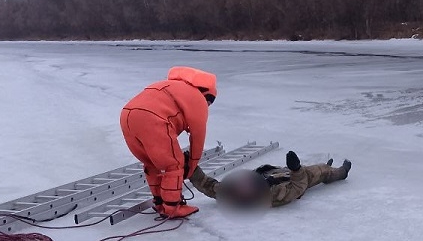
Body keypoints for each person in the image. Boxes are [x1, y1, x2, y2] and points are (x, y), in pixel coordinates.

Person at [120, 66, 217, 219]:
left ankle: (159, 203)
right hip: (153, 119)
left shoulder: (168, 86)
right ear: (206, 94)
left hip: (127, 114)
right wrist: (191, 167)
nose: (208, 107)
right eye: (209, 103)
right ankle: (172, 208)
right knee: (174, 164)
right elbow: (198, 137)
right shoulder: (197, 98)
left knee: (151, 163)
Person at [189, 150, 352, 209]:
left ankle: (325, 166)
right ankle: (340, 172)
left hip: (276, 173)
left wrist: (191, 169)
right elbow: (298, 187)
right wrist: (296, 169)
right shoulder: (273, 195)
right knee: (319, 172)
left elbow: (207, 185)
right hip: (294, 179)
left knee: (315, 168)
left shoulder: (229, 189)